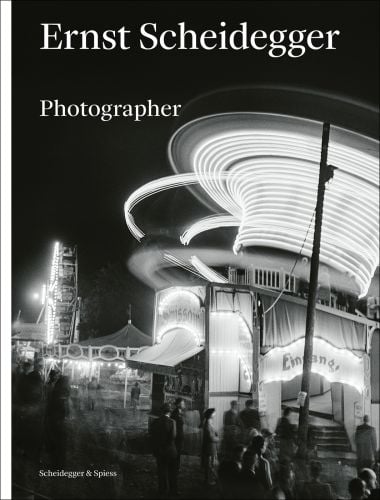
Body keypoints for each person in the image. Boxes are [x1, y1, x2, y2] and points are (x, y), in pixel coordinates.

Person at [150, 403, 177, 497]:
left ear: (161, 411)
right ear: (170, 412)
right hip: (170, 451)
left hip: (159, 451)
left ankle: (162, 491)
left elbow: (152, 436)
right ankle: (172, 492)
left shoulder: (155, 421)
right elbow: (173, 437)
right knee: (171, 472)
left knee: (161, 471)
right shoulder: (172, 422)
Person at [170, 397, 186, 494]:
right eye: (183, 403)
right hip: (176, 442)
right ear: (179, 404)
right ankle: (173, 489)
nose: (184, 404)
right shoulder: (175, 414)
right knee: (174, 465)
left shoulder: (179, 413)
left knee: (176, 463)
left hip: (179, 441)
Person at [201, 408, 219, 486]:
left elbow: (213, 432)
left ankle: (209, 479)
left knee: (211, 464)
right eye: (214, 413)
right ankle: (208, 481)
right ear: (210, 414)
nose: (215, 414)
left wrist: (216, 432)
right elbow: (210, 437)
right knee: (209, 465)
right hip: (209, 446)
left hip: (211, 446)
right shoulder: (207, 423)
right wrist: (218, 439)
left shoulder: (210, 422)